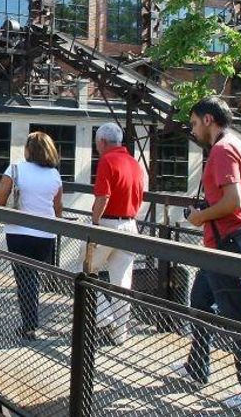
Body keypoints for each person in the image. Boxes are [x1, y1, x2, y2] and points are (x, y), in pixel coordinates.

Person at [175, 96, 241, 415]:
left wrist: (199, 217)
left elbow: (233, 200)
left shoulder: (222, 150)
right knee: (200, 300)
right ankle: (196, 367)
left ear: (208, 119)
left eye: (194, 123)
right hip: (227, 243)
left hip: (226, 246)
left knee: (240, 319)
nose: (193, 130)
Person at [0, 131, 64, 341]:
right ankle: (29, 322)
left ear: (28, 150)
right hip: (46, 235)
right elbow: (58, 208)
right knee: (32, 276)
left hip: (19, 233)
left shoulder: (15, 169)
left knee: (24, 278)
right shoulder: (54, 174)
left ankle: (30, 325)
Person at [84, 122, 146, 345]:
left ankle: (104, 316)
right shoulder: (134, 163)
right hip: (130, 224)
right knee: (122, 281)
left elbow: (103, 197)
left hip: (108, 223)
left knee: (84, 270)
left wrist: (94, 223)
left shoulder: (107, 161)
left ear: (102, 142)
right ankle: (121, 333)